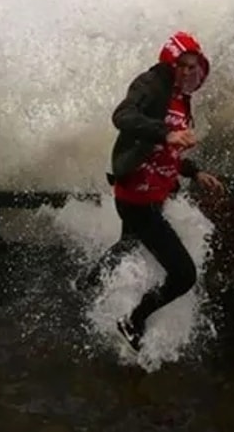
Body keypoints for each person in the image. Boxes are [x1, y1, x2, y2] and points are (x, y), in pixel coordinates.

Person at [96, 30, 225, 351]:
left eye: (193, 67)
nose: (188, 72)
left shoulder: (182, 100)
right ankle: (133, 320)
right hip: (137, 199)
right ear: (170, 64)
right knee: (183, 276)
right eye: (182, 65)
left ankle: (89, 281)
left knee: (128, 245)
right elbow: (122, 116)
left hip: (153, 195)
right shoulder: (151, 85)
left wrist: (195, 172)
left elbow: (167, 151)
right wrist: (165, 133)